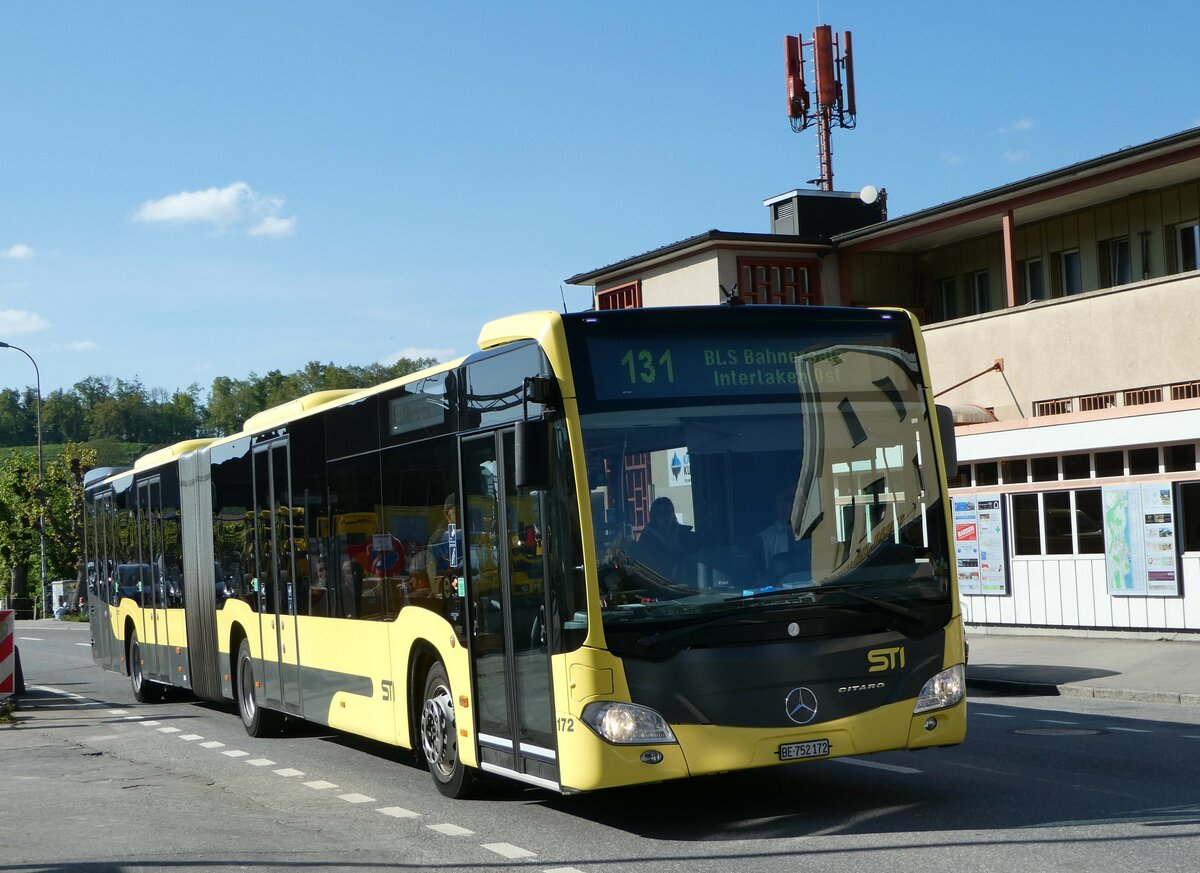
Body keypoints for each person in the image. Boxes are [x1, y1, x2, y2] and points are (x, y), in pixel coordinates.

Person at [634, 497, 695, 580]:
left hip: (689, 587)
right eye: (662, 512)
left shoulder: (685, 535)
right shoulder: (646, 540)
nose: (667, 516)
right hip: (658, 587)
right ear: (654, 516)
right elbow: (645, 569)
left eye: (669, 511)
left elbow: (695, 561)